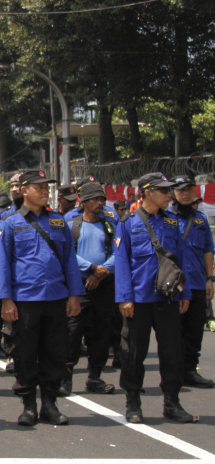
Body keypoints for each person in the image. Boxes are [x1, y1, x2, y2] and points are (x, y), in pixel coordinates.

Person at [0, 170, 84, 426]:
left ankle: (50, 404)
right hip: (24, 299)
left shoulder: (58, 222)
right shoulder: (9, 223)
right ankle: (29, 405)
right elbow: (2, 264)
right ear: (23, 190)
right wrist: (5, 300)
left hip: (55, 297)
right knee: (24, 353)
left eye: (46, 187)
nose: (45, 191)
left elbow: (70, 262)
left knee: (54, 352)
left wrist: (74, 295)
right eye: (38, 187)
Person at [115, 172, 193, 424]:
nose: (169, 196)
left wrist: (186, 292)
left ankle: (172, 402)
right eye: (164, 191)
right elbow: (122, 263)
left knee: (172, 352)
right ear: (148, 192)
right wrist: (124, 298)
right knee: (134, 352)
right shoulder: (128, 223)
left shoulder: (172, 222)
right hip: (138, 298)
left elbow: (181, 260)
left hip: (168, 298)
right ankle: (133, 402)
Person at [61, 182, 117, 396]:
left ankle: (95, 377)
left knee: (102, 332)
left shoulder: (109, 224)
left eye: (102, 199)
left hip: (104, 284)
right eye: (95, 199)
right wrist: (91, 268)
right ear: (83, 202)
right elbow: (66, 253)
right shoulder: (70, 223)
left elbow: (118, 250)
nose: (100, 203)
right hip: (78, 285)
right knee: (73, 331)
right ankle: (65, 377)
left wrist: (102, 271)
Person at [170, 175, 215, 389]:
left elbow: (208, 249)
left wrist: (210, 278)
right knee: (173, 331)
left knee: (195, 330)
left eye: (189, 189)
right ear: (173, 193)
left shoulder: (200, 219)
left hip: (196, 282)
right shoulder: (165, 218)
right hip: (172, 285)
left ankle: (190, 370)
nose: (186, 193)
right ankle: (174, 372)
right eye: (181, 190)